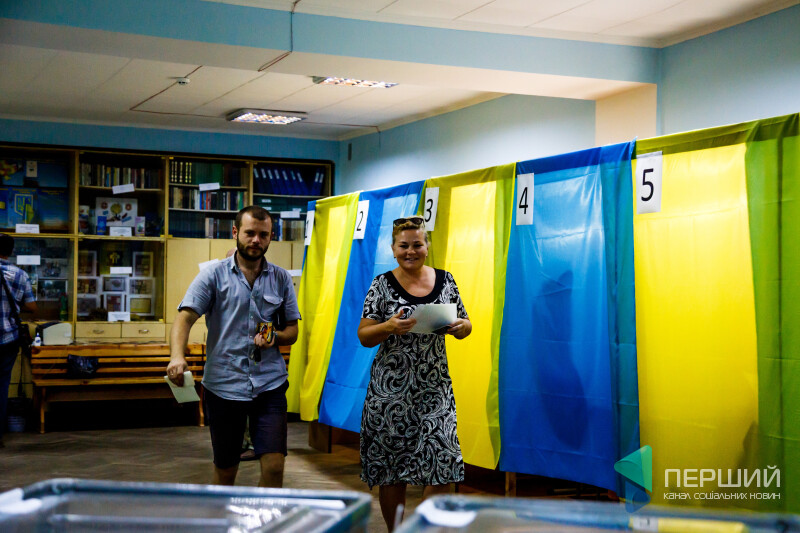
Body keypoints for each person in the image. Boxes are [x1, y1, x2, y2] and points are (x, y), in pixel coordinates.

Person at [167, 206, 299, 487]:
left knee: (274, 467)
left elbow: (292, 331)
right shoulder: (213, 276)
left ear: (271, 237)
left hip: (270, 385)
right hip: (224, 385)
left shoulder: (281, 278)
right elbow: (184, 318)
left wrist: (275, 337)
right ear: (236, 232)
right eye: (250, 233)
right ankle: (223, 513)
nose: (256, 240)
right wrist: (177, 356)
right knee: (226, 470)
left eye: (263, 235)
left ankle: (264, 516)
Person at [357, 216, 472, 531]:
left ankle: (423, 527)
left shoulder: (446, 280)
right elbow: (364, 335)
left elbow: (466, 324)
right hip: (390, 395)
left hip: (435, 390)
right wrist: (388, 326)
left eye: (417, 244)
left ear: (427, 246)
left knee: (444, 462)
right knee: (392, 471)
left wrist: (461, 327)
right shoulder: (381, 284)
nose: (410, 251)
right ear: (393, 249)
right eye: (403, 245)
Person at [0, 234, 37, 448]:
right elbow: (32, 307)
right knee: (2, 385)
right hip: (8, 339)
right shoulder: (20, 275)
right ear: (11, 251)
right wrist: (15, 303)